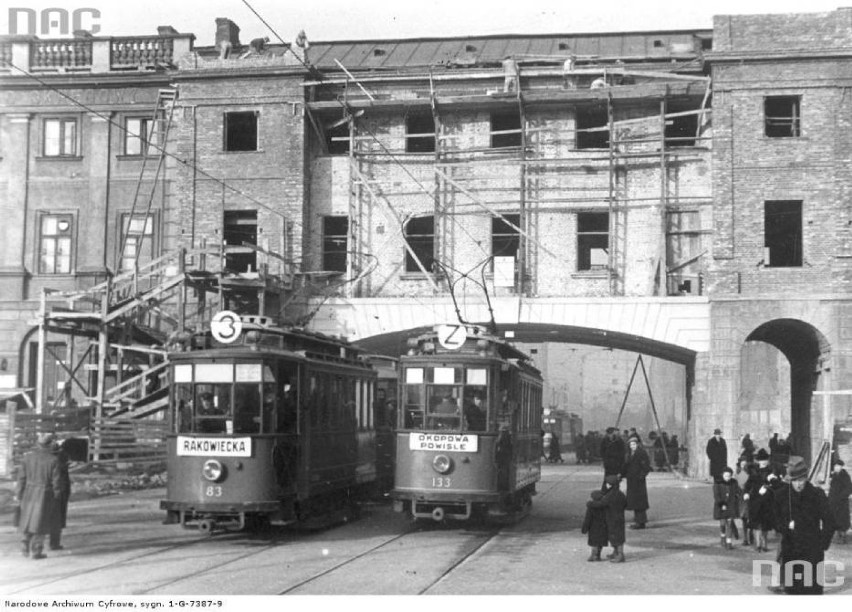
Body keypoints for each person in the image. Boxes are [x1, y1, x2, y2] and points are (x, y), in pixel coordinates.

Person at [773, 456, 835, 595]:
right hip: (791, 551)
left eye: (801, 480)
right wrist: (785, 526)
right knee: (793, 591)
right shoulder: (781, 495)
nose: (798, 484)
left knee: (812, 590)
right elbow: (774, 520)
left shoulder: (817, 495)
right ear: (790, 480)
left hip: (813, 551)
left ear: (806, 478)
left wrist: (822, 544)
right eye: (795, 480)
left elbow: (830, 521)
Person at [15, 432, 62, 559]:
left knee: (27, 520)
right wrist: (57, 496)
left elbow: (21, 478)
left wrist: (18, 494)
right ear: (50, 444)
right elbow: (56, 481)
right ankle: (36, 551)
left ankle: (24, 544)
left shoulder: (27, 458)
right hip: (45, 493)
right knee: (41, 522)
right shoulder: (53, 460)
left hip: (28, 493)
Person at [746, 448, 780, 552]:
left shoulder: (772, 471)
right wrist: (746, 493)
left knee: (765, 523)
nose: (764, 462)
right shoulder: (753, 471)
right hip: (756, 499)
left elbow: (776, 485)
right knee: (757, 523)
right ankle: (758, 544)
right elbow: (749, 484)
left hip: (767, 500)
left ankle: (764, 543)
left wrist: (770, 483)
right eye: (762, 460)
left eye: (765, 460)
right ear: (758, 461)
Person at [588, 474, 627, 563]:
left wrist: (590, 504)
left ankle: (620, 555)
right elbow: (625, 504)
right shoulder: (620, 494)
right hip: (620, 517)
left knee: (616, 537)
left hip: (612, 518)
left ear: (610, 485)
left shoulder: (610, 495)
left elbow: (601, 503)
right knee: (617, 536)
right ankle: (616, 552)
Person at [49, 438, 71, 551]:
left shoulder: (49, 459)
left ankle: (32, 545)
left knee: (40, 518)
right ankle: (54, 543)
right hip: (59, 492)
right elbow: (60, 479)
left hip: (49, 492)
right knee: (57, 519)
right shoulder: (60, 459)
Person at [624, 436, 651, 529]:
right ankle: (638, 520)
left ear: (637, 444)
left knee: (639, 501)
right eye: (631, 444)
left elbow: (646, 466)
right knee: (635, 501)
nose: (632, 446)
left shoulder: (641, 453)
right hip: (632, 480)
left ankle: (640, 522)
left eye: (634, 444)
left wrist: (641, 476)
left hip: (638, 481)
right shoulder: (630, 453)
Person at [713, 466, 740, 550]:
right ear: (722, 475)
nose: (727, 478)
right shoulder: (718, 484)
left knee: (730, 524)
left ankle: (729, 542)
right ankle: (722, 536)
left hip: (731, 506)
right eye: (726, 476)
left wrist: (737, 494)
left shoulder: (734, 483)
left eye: (729, 476)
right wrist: (722, 504)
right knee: (723, 524)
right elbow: (716, 495)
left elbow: (738, 490)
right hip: (721, 506)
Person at [828, 459, 852, 544]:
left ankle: (843, 537)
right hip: (833, 502)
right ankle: (838, 535)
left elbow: (849, 488)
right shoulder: (834, 475)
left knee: (842, 520)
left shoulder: (845, 476)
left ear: (841, 467)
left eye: (838, 466)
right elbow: (832, 489)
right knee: (835, 519)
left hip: (841, 503)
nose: (836, 467)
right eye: (835, 466)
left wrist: (841, 497)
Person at [581, 490, 608, 562]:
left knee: (594, 543)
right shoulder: (605, 506)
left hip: (594, 528)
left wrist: (584, 529)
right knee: (600, 543)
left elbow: (588, 519)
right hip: (603, 527)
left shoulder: (591, 507)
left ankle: (593, 555)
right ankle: (598, 555)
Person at [735, 457, 754, 546]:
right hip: (741, 498)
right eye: (742, 464)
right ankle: (745, 538)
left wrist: (749, 493)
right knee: (744, 518)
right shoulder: (738, 474)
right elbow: (736, 487)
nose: (744, 466)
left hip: (750, 497)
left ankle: (751, 535)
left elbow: (754, 485)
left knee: (751, 517)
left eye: (745, 465)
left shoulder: (752, 474)